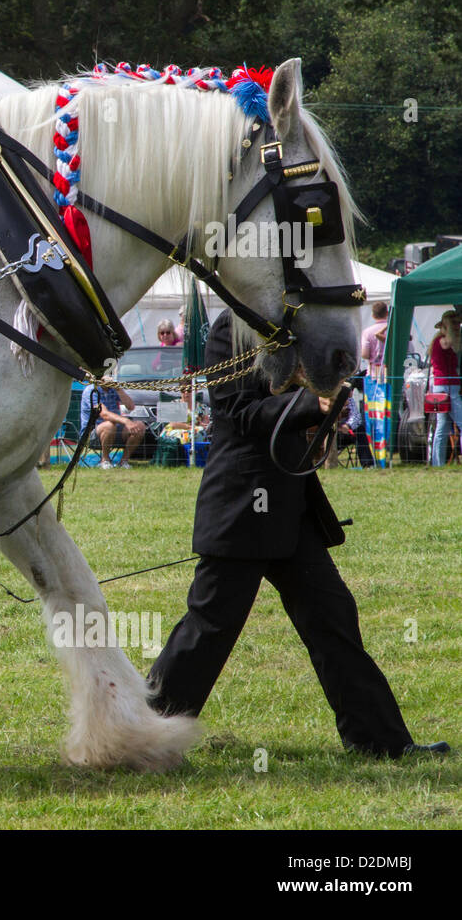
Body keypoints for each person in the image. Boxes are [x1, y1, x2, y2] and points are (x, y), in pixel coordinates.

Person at [148, 311, 448, 759]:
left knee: (333, 618)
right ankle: (142, 734)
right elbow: (237, 411)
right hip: (244, 506)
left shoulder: (295, 331)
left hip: (291, 509)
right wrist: (312, 404)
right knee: (209, 628)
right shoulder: (231, 331)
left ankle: (380, 742)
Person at [79, 381, 147, 469]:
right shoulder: (91, 390)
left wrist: (118, 389)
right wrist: (126, 421)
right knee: (109, 425)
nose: (110, 377)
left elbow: (130, 407)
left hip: (116, 431)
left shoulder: (113, 389)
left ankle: (124, 462)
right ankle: (105, 461)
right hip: (92, 435)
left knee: (139, 426)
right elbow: (104, 414)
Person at [427, 309, 461, 466]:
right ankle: (437, 462)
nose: (457, 326)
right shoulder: (442, 341)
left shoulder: (438, 341)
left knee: (442, 427)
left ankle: (437, 463)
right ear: (446, 324)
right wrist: (450, 326)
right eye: (453, 323)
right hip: (447, 387)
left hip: (441, 387)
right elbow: (452, 343)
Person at [360, 301, 389, 381]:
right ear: (387, 313)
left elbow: (365, 354)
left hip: (374, 373)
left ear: (373, 315)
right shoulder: (394, 329)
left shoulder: (367, 332)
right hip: (392, 373)